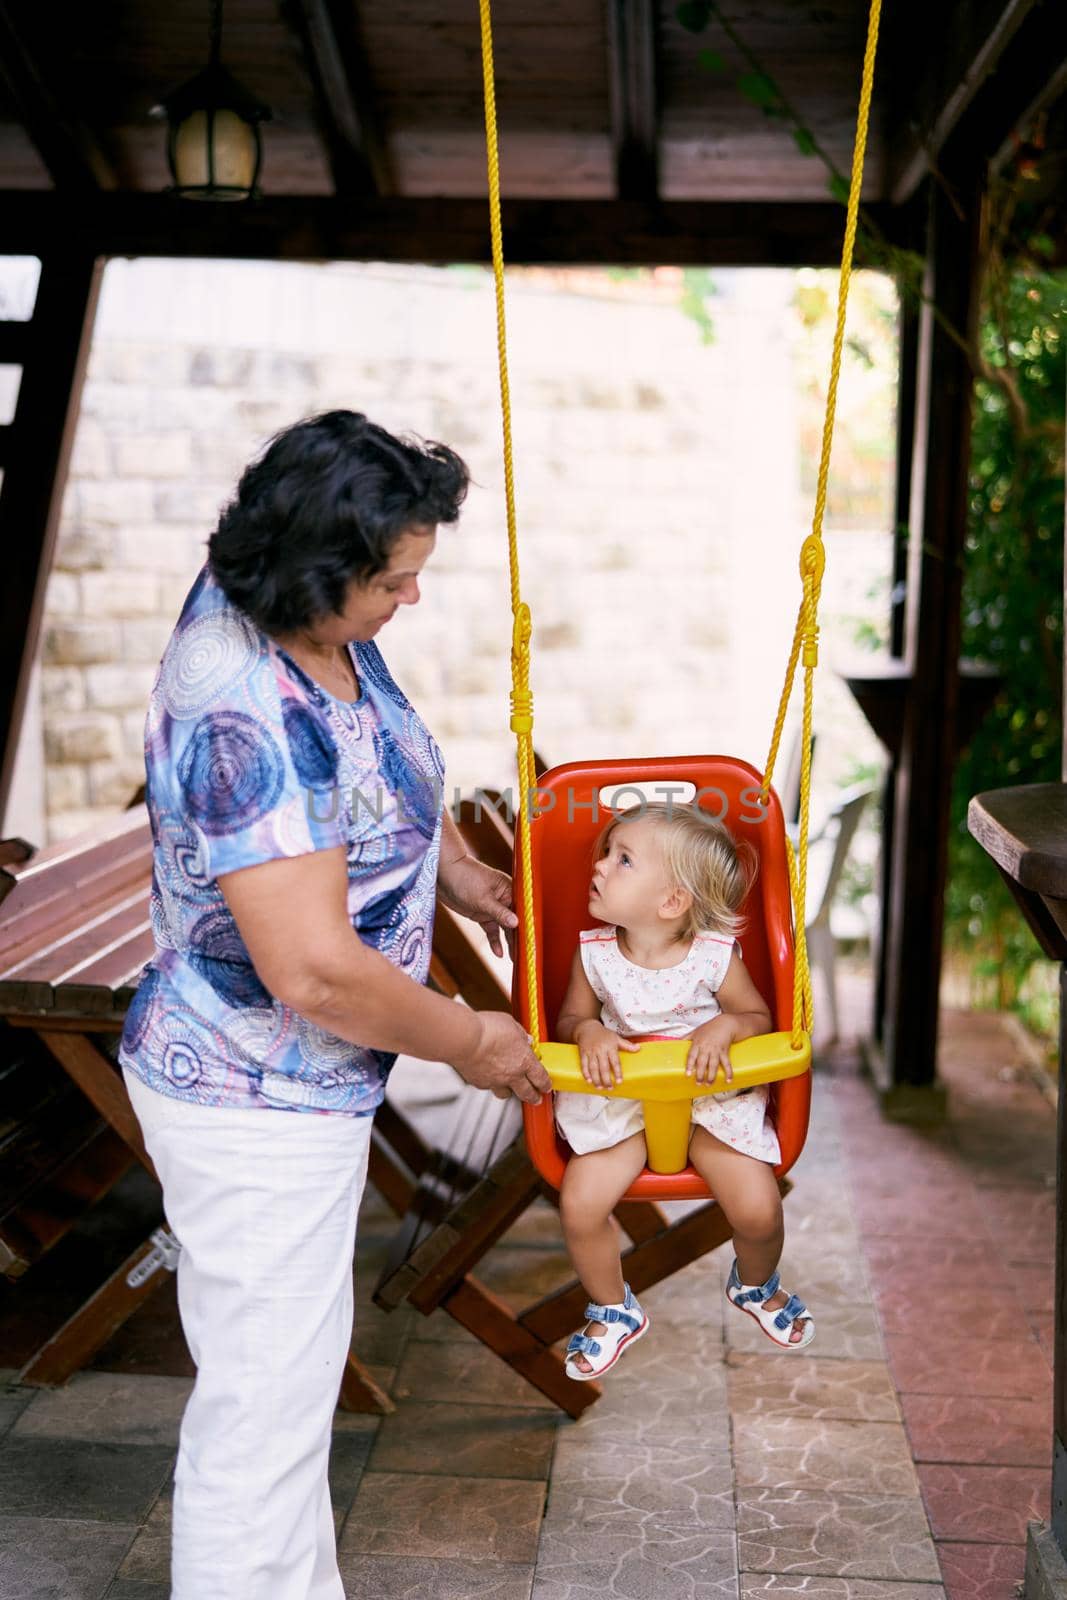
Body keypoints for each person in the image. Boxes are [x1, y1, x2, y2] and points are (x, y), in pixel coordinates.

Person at [117, 410, 551, 1600]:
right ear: (320, 573)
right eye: (395, 581)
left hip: (298, 1082)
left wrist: (457, 875)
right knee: (259, 1421)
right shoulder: (240, 705)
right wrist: (471, 1038)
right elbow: (309, 968)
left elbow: (368, 771)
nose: (411, 599)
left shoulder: (304, 610)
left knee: (288, 1396)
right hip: (251, 1088)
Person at [553, 800, 814, 1379]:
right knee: (579, 1205)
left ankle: (754, 1283)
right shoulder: (593, 955)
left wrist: (725, 1026)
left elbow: (755, 1016)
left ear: (671, 902)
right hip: (621, 1103)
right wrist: (590, 1030)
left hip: (706, 1104)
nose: (599, 866)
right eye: (606, 853)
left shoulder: (714, 958)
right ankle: (612, 1306)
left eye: (622, 860)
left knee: (759, 1209)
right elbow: (569, 1022)